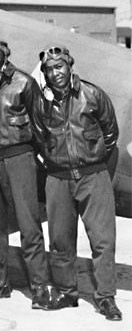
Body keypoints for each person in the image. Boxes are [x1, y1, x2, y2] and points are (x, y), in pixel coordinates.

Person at [32, 45, 122, 321]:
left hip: (93, 176)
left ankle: (106, 298)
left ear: (70, 66)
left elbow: (110, 133)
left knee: (102, 241)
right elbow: (37, 137)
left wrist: (90, 160)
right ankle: (67, 292)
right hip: (57, 178)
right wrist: (56, 163)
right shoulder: (41, 102)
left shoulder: (92, 94)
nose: (55, 72)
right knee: (60, 240)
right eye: (49, 68)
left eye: (59, 66)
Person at [0, 37, 50, 309]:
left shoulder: (24, 83)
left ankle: (39, 287)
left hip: (17, 157)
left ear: (5, 56)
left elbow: (39, 125)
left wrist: (38, 158)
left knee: (28, 224)